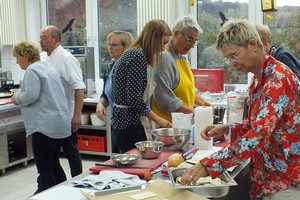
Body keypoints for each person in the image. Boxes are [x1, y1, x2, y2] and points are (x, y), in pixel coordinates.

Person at [180, 19, 300, 200]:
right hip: (266, 179)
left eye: (233, 55)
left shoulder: (278, 79)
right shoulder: (259, 80)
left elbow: (258, 135)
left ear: (253, 45)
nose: (231, 63)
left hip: (285, 182)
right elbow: (259, 126)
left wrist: (209, 165)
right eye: (227, 58)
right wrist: (229, 128)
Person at [11, 41, 71, 194]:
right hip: (58, 123)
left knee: (45, 169)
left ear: (25, 56)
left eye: (17, 57)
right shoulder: (47, 67)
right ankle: (65, 195)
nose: (16, 61)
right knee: (53, 164)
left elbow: (31, 95)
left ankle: (48, 196)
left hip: (44, 127)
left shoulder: (32, 70)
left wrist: (16, 97)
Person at [111, 19, 173, 153]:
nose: (163, 48)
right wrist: (157, 119)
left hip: (122, 124)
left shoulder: (133, 53)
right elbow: (134, 99)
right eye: (163, 42)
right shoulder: (138, 56)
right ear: (153, 38)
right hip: (130, 126)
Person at [40, 25, 86, 177]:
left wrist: (77, 115)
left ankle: (77, 181)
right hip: (53, 117)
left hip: (66, 115)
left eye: (44, 38)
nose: (41, 41)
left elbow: (79, 87)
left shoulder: (66, 58)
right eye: (40, 38)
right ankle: (59, 183)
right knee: (53, 155)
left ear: (56, 39)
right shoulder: (46, 58)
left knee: (71, 151)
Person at [151, 15, 211, 122]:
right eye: (189, 40)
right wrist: (196, 114)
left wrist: (203, 103)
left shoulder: (182, 57)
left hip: (182, 123)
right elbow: (166, 100)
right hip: (167, 126)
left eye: (195, 41)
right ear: (176, 34)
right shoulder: (164, 58)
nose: (192, 46)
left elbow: (190, 89)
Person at [96, 30, 134, 152]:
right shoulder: (110, 67)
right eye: (109, 44)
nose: (110, 48)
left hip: (130, 124)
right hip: (116, 121)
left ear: (125, 46)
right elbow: (106, 94)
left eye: (114, 45)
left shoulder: (131, 67)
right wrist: (100, 103)